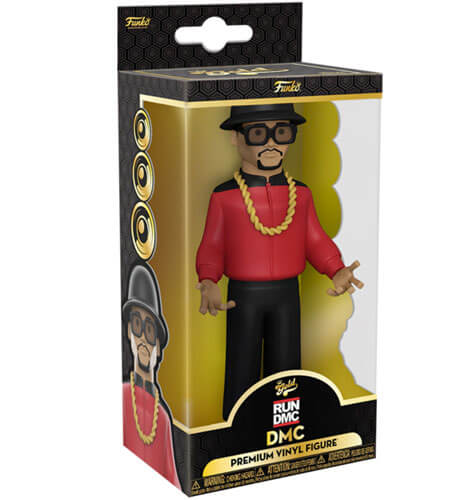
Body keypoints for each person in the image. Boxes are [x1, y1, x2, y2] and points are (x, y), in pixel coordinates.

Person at [196, 103, 363, 420]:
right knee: (241, 367)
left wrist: (336, 268)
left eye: (282, 132)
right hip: (243, 296)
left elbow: (315, 239)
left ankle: (282, 425)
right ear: (236, 138)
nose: (271, 143)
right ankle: (237, 428)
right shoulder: (224, 196)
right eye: (259, 134)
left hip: (287, 294)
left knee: (286, 368)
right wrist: (208, 279)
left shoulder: (301, 194)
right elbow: (212, 245)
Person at [122, 265, 180, 488]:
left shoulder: (162, 418)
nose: (143, 340)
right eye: (137, 325)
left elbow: (172, 479)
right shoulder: (121, 397)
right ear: (129, 331)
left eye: (149, 330)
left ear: (157, 342)